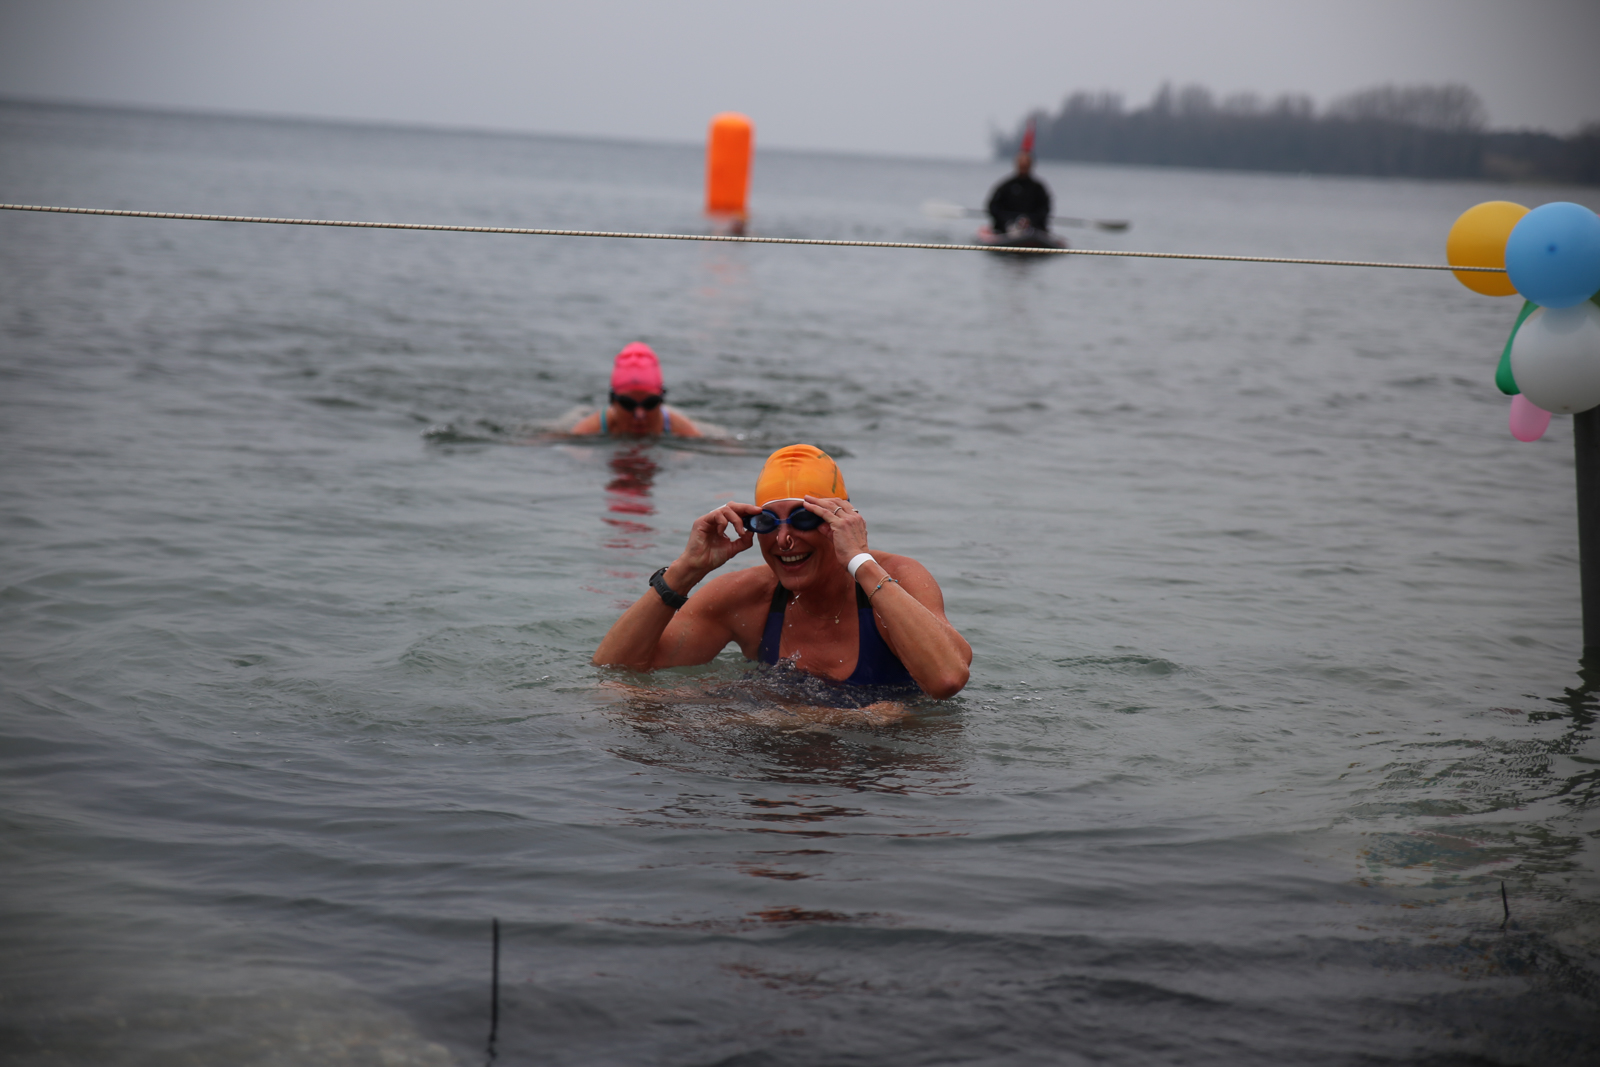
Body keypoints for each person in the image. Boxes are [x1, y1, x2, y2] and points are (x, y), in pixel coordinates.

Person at [593, 444, 971, 700]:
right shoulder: (747, 596)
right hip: (770, 772)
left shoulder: (897, 577)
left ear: (841, 520)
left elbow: (947, 678)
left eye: (805, 519)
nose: (784, 539)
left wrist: (859, 560)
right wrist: (685, 570)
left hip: (880, 777)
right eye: (768, 522)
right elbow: (616, 673)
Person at [569, 343, 705, 438]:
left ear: (661, 400)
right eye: (628, 404)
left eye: (650, 403)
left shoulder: (685, 432)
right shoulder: (586, 431)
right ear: (613, 401)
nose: (640, 414)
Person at [985, 149, 1052, 236]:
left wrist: (1031, 221)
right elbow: (993, 207)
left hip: (1034, 228)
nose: (1023, 168)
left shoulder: (1038, 188)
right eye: (1021, 165)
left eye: (1026, 166)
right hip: (1007, 227)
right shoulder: (1006, 186)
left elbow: (1044, 209)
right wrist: (1007, 221)